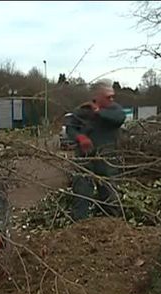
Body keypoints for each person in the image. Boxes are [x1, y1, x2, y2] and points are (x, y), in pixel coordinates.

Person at [64, 79, 126, 221]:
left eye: (112, 96)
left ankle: (110, 222)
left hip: (106, 159)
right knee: (82, 192)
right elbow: (70, 127)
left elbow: (119, 119)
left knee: (109, 192)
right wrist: (80, 137)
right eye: (108, 97)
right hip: (85, 159)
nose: (111, 99)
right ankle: (80, 224)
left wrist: (98, 111)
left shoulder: (114, 110)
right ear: (97, 97)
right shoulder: (83, 110)